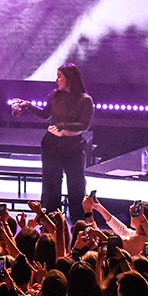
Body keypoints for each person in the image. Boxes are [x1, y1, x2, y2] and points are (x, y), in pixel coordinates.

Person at [10, 63, 93, 214]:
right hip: (52, 144)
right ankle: (51, 217)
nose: (56, 80)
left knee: (76, 183)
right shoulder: (56, 95)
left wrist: (63, 126)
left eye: (60, 76)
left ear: (69, 78)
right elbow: (45, 114)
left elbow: (84, 125)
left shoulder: (84, 100)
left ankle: (78, 219)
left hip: (73, 146)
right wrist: (28, 105)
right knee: (51, 182)